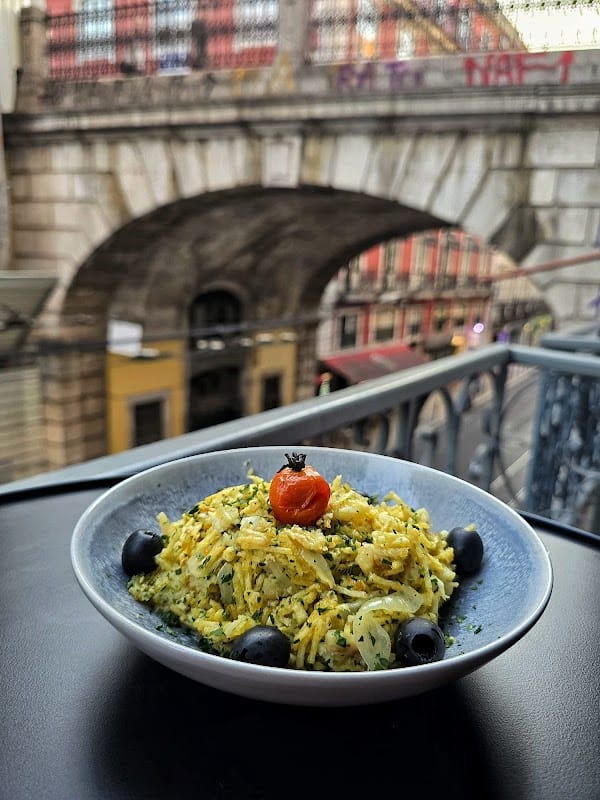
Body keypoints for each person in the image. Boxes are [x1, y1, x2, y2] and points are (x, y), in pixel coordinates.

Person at [188, 3, 208, 70]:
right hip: (198, 54)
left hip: (202, 53)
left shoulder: (203, 24)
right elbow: (194, 39)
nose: (206, 14)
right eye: (205, 11)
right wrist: (194, 51)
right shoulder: (196, 24)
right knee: (197, 69)